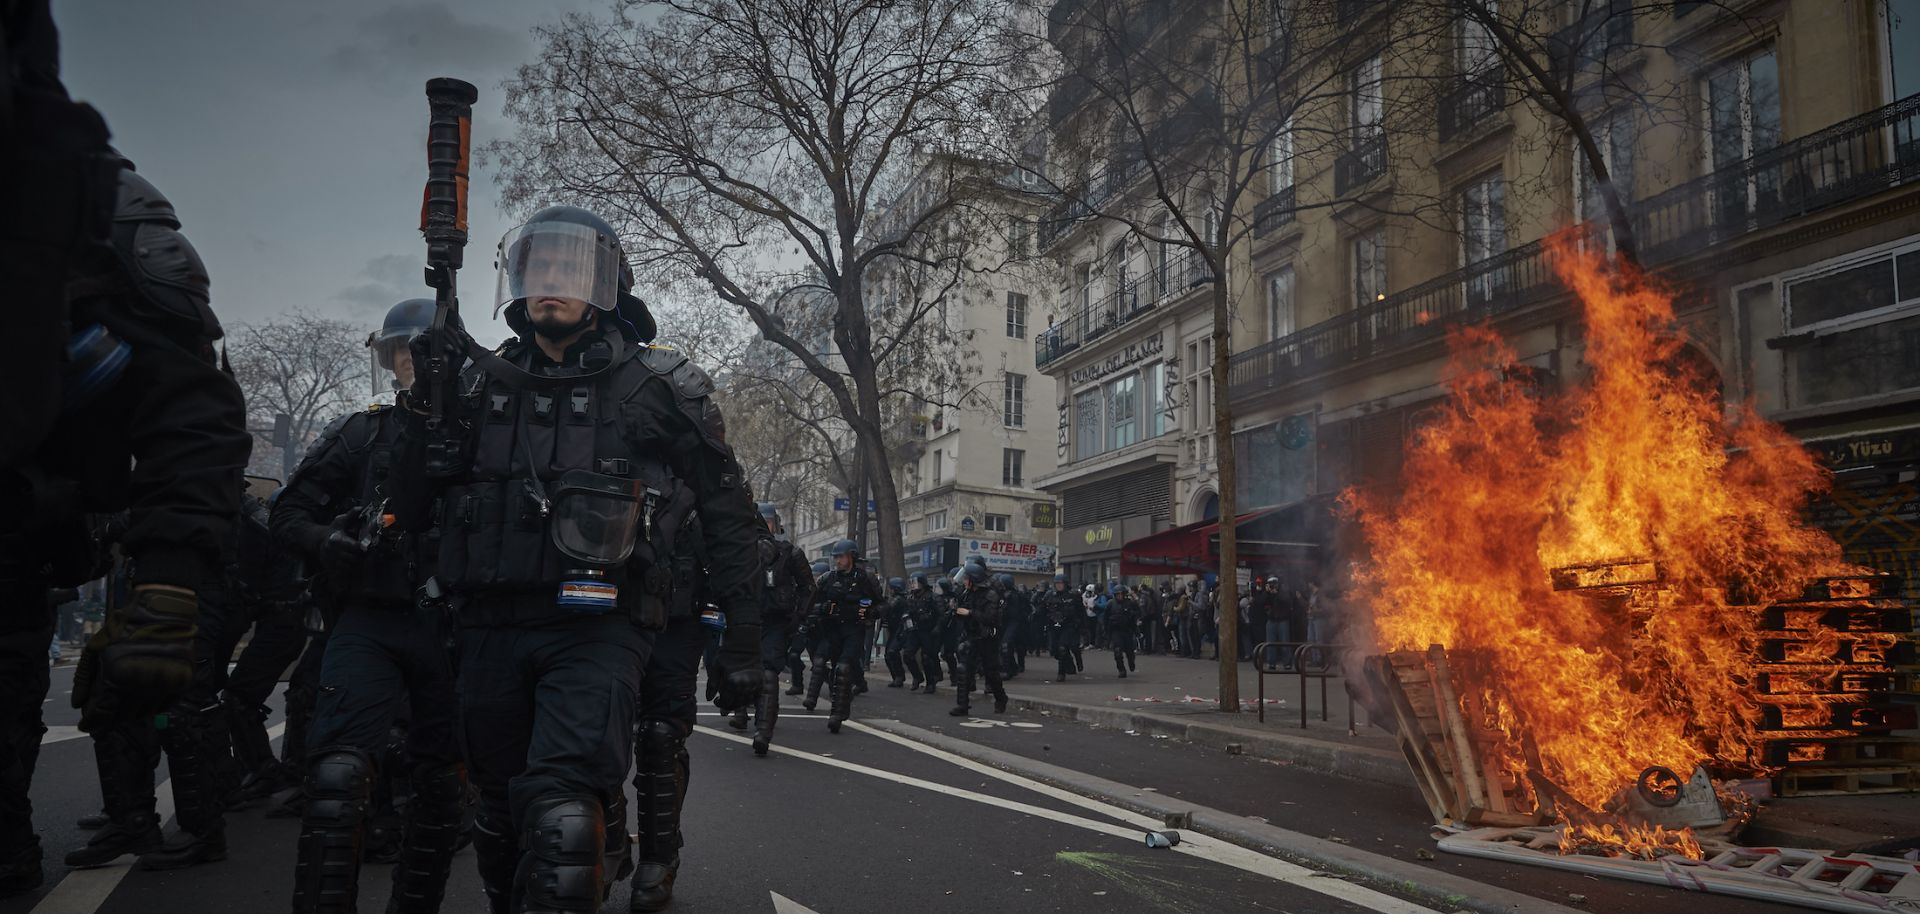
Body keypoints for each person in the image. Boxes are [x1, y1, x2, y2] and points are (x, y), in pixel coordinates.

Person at [395, 204, 764, 914]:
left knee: (564, 815)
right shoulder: (475, 384)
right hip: (489, 629)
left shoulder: (658, 385)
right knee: (501, 816)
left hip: (598, 627)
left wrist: (741, 641)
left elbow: (726, 507)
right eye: (537, 267)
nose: (551, 282)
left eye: (570, 268)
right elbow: (412, 509)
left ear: (608, 283)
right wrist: (424, 408)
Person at [1, 154, 249, 895]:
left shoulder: (92, 207)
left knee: (164, 698)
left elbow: (190, 415)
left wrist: (169, 582)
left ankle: (188, 824)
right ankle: (136, 817)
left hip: (19, 554)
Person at [272, 299, 465, 912]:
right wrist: (326, 540)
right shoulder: (362, 430)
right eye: (400, 352)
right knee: (336, 775)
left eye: (422, 350)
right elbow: (288, 513)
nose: (411, 362)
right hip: (371, 616)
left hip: (456, 626)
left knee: (441, 787)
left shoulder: (489, 431)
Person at [728, 504, 812, 755]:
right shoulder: (741, 553)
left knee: (768, 674)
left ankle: (763, 731)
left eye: (768, 522)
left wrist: (798, 616)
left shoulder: (789, 553)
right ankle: (740, 712)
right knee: (741, 668)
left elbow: (808, 587)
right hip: (746, 618)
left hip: (775, 621)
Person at [804, 540, 882, 733]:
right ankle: (820, 700)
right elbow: (807, 604)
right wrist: (822, 608)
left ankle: (837, 714)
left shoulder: (866, 579)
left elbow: (882, 604)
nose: (838, 560)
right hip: (831, 630)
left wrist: (871, 613)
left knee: (844, 668)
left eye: (841, 556)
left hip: (853, 630)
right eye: (836, 557)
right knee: (821, 663)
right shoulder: (827, 579)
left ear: (851, 557)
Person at [948, 566, 1008, 717]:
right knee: (963, 668)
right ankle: (962, 705)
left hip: (987, 638)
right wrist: (955, 610)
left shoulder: (991, 595)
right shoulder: (967, 594)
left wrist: (970, 613)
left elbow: (991, 618)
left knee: (991, 672)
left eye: (967, 579)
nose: (965, 582)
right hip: (971, 636)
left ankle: (1001, 698)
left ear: (974, 580)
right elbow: (961, 611)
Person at [902, 574, 941, 693]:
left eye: (915, 582)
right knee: (907, 655)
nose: (913, 585)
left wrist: (938, 627)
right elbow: (906, 612)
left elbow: (941, 613)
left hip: (928, 631)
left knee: (927, 658)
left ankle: (930, 683)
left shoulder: (932, 597)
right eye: (912, 582)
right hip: (914, 631)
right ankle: (917, 677)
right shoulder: (911, 597)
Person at [1040, 575, 1080, 682]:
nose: (1059, 586)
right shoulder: (1050, 595)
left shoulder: (1073, 596)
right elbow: (1043, 611)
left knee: (1062, 648)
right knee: (1054, 650)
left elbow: (1080, 613)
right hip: (1053, 626)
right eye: (1057, 584)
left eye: (1061, 584)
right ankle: (1069, 663)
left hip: (1068, 626)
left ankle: (1061, 673)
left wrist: (1082, 628)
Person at [880, 577, 914, 688]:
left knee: (892, 652)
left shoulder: (899, 599)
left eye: (891, 588)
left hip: (901, 630)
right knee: (888, 654)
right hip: (894, 630)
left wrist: (881, 602)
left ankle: (899, 676)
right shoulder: (894, 598)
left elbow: (888, 608)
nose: (890, 590)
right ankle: (896, 677)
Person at [999, 575, 1028, 678]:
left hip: (1014, 623)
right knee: (1003, 646)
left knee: (1006, 645)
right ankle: (1013, 667)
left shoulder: (1016, 596)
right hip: (1003, 622)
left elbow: (1020, 612)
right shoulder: (1000, 594)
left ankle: (1007, 670)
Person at [1108, 583, 1139, 678]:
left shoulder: (1130, 603)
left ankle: (1131, 662)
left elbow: (1137, 614)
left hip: (1128, 630)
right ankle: (1121, 669)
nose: (1120, 596)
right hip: (1116, 631)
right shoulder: (1111, 604)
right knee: (1117, 651)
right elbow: (1106, 618)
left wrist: (1133, 617)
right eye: (1118, 594)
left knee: (1129, 651)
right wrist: (1107, 632)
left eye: (1122, 594)